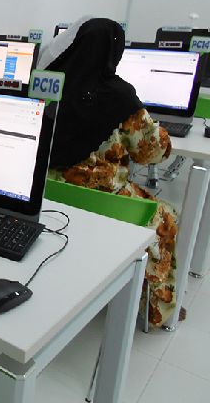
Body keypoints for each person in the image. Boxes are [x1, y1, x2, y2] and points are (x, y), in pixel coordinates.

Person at [38, 17, 179, 327]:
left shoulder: (47, 83)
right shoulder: (119, 95)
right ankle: (156, 311)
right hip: (102, 200)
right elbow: (150, 153)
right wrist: (160, 134)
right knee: (167, 218)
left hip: (49, 194)